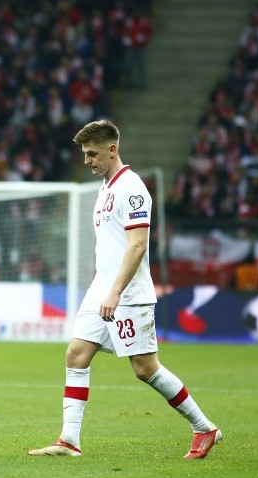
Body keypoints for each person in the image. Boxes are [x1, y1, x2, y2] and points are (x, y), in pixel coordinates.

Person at [29, 120, 221, 460]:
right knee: (76, 354)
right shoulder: (105, 187)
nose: (87, 160)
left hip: (128, 294)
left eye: (92, 154)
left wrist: (115, 292)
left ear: (112, 149)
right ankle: (68, 440)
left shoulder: (132, 188)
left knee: (145, 369)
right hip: (102, 289)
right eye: (85, 154)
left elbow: (137, 246)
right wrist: (105, 288)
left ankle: (204, 427)